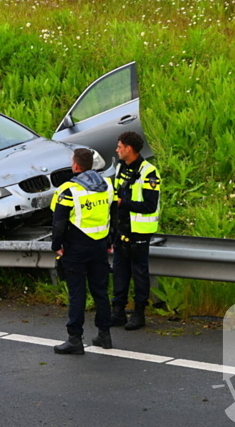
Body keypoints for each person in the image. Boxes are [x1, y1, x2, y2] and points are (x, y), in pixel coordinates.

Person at [50, 148, 113, 355]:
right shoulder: (106, 185)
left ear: (75, 165)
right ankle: (104, 335)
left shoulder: (68, 189)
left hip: (76, 248)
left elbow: (59, 222)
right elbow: (110, 215)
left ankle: (75, 340)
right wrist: (109, 240)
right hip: (100, 246)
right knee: (100, 292)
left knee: (77, 294)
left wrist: (56, 245)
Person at [109, 131, 161, 331]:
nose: (117, 150)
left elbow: (150, 205)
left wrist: (123, 203)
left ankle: (139, 313)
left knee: (139, 273)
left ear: (128, 149)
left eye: (119, 146)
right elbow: (115, 193)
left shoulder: (149, 172)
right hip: (121, 227)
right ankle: (118, 312)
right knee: (120, 271)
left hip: (139, 230)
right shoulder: (120, 166)